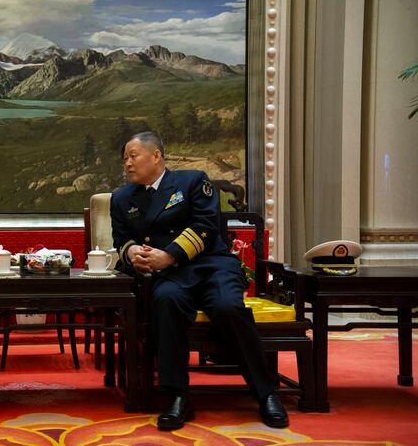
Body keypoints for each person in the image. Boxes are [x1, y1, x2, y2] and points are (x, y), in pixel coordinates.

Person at [110, 131, 289, 430]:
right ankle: (178, 395)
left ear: (156, 156)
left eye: (133, 156)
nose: (127, 163)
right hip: (168, 275)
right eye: (124, 158)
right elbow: (121, 239)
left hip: (210, 266)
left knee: (227, 307)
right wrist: (133, 256)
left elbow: (206, 228)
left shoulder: (192, 181)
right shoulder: (122, 198)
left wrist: (169, 255)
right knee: (165, 301)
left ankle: (266, 392)